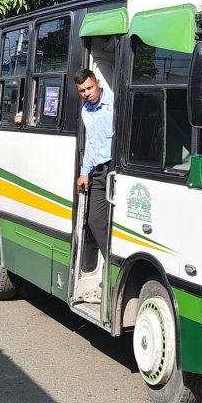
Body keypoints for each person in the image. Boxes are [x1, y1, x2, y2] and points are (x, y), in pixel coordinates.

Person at [74, 68, 114, 262]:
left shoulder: (115, 102)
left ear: (97, 82)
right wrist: (84, 173)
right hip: (98, 172)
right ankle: (112, 264)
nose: (86, 93)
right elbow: (91, 142)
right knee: (95, 221)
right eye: (82, 91)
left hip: (116, 169)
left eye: (89, 88)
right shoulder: (86, 110)